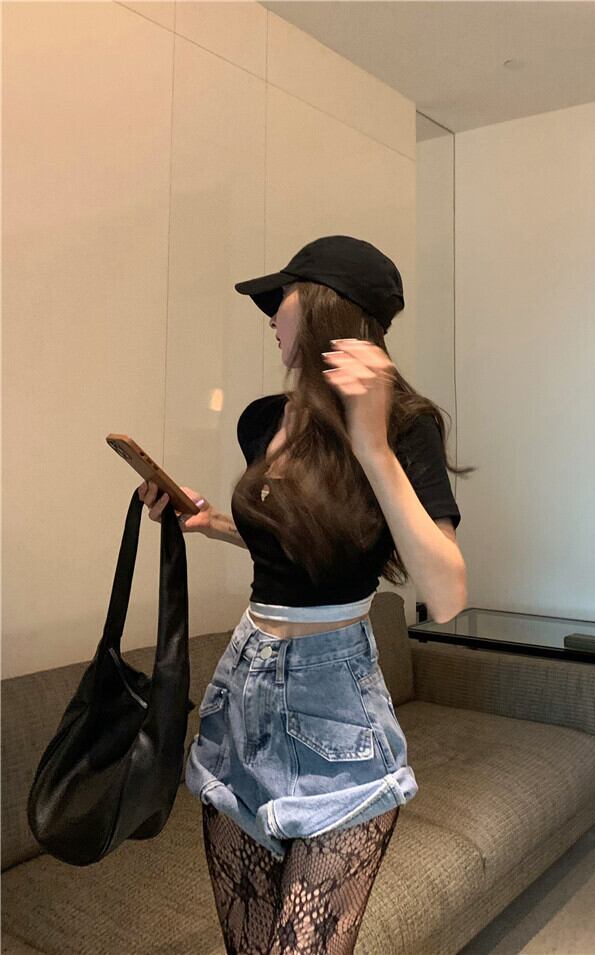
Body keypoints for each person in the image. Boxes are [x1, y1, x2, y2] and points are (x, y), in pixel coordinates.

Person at [139, 235, 471, 954]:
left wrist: (371, 444)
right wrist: (209, 521)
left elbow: (446, 592)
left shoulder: (405, 425)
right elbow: (297, 545)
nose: (270, 316)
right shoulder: (263, 419)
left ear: (325, 306)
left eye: (280, 298)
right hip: (241, 693)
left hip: (336, 705)